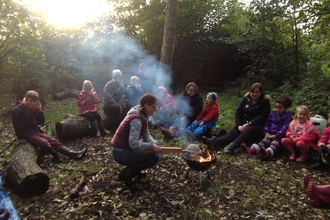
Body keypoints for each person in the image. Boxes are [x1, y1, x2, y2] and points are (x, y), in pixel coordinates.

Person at [11, 90, 87, 163]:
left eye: (33, 102)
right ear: (25, 99)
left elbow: (41, 122)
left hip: (36, 131)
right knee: (44, 142)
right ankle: (56, 155)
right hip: (26, 134)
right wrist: (23, 104)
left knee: (54, 141)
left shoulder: (33, 109)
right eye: (29, 100)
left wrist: (40, 111)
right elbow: (14, 113)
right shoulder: (19, 106)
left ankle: (75, 154)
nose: (30, 103)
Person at [203, 82, 271, 154]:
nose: (254, 94)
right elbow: (238, 112)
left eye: (257, 92)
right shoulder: (246, 98)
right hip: (243, 123)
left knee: (248, 130)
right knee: (233, 133)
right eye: (253, 92)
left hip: (257, 127)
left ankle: (232, 147)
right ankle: (215, 142)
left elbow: (263, 117)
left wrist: (249, 124)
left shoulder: (264, 102)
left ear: (261, 93)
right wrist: (239, 125)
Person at [111, 93, 162, 187]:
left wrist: (153, 145)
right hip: (121, 153)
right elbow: (133, 144)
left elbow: (146, 136)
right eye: (154, 107)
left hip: (126, 148)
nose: (155, 110)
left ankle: (135, 169)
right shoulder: (137, 120)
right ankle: (127, 172)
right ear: (146, 105)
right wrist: (151, 147)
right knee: (155, 157)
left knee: (156, 144)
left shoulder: (143, 115)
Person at [241, 94, 293, 160]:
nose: (277, 109)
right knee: (264, 142)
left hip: (279, 136)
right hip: (270, 133)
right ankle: (252, 150)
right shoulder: (273, 113)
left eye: (280, 108)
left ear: (285, 108)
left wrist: (277, 135)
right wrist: (266, 132)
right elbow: (267, 123)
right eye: (276, 107)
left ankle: (267, 153)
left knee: (274, 144)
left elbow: (285, 127)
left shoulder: (287, 116)